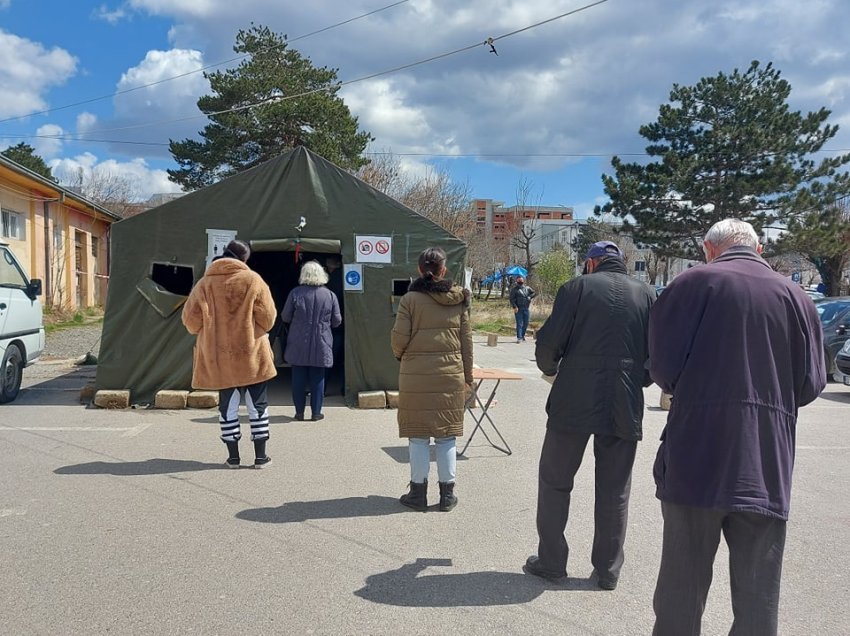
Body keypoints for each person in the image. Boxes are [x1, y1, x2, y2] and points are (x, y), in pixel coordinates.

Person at [648, 219, 826, 635]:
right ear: (759, 248)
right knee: (757, 595)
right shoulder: (796, 296)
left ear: (710, 249)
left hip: (696, 453)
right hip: (765, 459)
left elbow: (663, 370)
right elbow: (811, 384)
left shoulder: (691, 285)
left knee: (681, 586)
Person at [524, 240, 655, 590]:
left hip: (573, 397)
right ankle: (607, 570)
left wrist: (551, 370)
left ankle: (552, 562)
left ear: (592, 263)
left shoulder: (576, 288)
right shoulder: (646, 294)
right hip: (624, 399)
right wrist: (638, 379)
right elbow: (656, 353)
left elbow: (549, 343)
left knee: (555, 481)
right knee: (615, 488)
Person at [181, 239, 277, 469]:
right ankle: (261, 457)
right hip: (252, 354)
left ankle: (233, 458)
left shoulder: (204, 285)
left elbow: (191, 323)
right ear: (244, 260)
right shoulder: (254, 280)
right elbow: (268, 319)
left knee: (228, 407)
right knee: (258, 406)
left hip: (220, 357)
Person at [391, 247, 473, 513]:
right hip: (450, 375)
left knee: (417, 437)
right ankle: (447, 495)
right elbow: (466, 342)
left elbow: (398, 339)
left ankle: (418, 493)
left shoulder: (410, 299)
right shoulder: (459, 298)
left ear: (419, 269)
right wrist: (467, 377)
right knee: (447, 437)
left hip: (416, 376)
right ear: (443, 270)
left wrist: (403, 356)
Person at [281, 260, 342, 422]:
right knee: (318, 377)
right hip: (321, 341)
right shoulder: (330, 295)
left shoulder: (295, 293)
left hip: (298, 340)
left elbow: (285, 317)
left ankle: (299, 413)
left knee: (298, 378)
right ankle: (316, 412)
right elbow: (337, 321)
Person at [509, 275, 536, 343]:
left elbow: (534, 293)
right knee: (519, 323)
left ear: (523, 280)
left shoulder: (527, 288)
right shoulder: (514, 290)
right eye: (519, 280)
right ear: (517, 281)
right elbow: (511, 299)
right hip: (518, 308)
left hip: (526, 308)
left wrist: (530, 297)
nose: (520, 281)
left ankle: (522, 336)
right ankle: (519, 337)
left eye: (521, 280)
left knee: (526, 323)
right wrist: (515, 307)